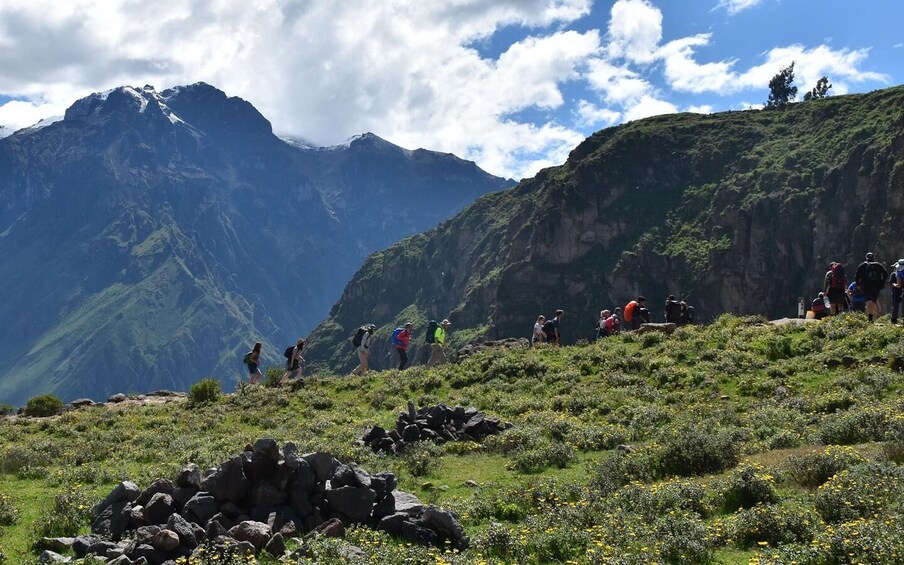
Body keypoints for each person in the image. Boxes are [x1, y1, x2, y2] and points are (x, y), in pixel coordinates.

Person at [854, 252, 889, 322]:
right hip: (876, 286)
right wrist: (882, 282)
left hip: (866, 285)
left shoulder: (862, 265)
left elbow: (857, 276)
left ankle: (870, 317)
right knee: (873, 300)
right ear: (874, 258)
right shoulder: (878, 265)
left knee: (868, 300)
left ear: (866, 258)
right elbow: (885, 274)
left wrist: (858, 284)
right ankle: (872, 316)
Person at [890, 259, 904, 323]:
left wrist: (894, 284)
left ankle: (894, 320)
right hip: (897, 291)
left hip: (897, 291)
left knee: (895, 306)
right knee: (895, 306)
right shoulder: (894, 274)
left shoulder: (898, 273)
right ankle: (894, 319)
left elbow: (898, 285)